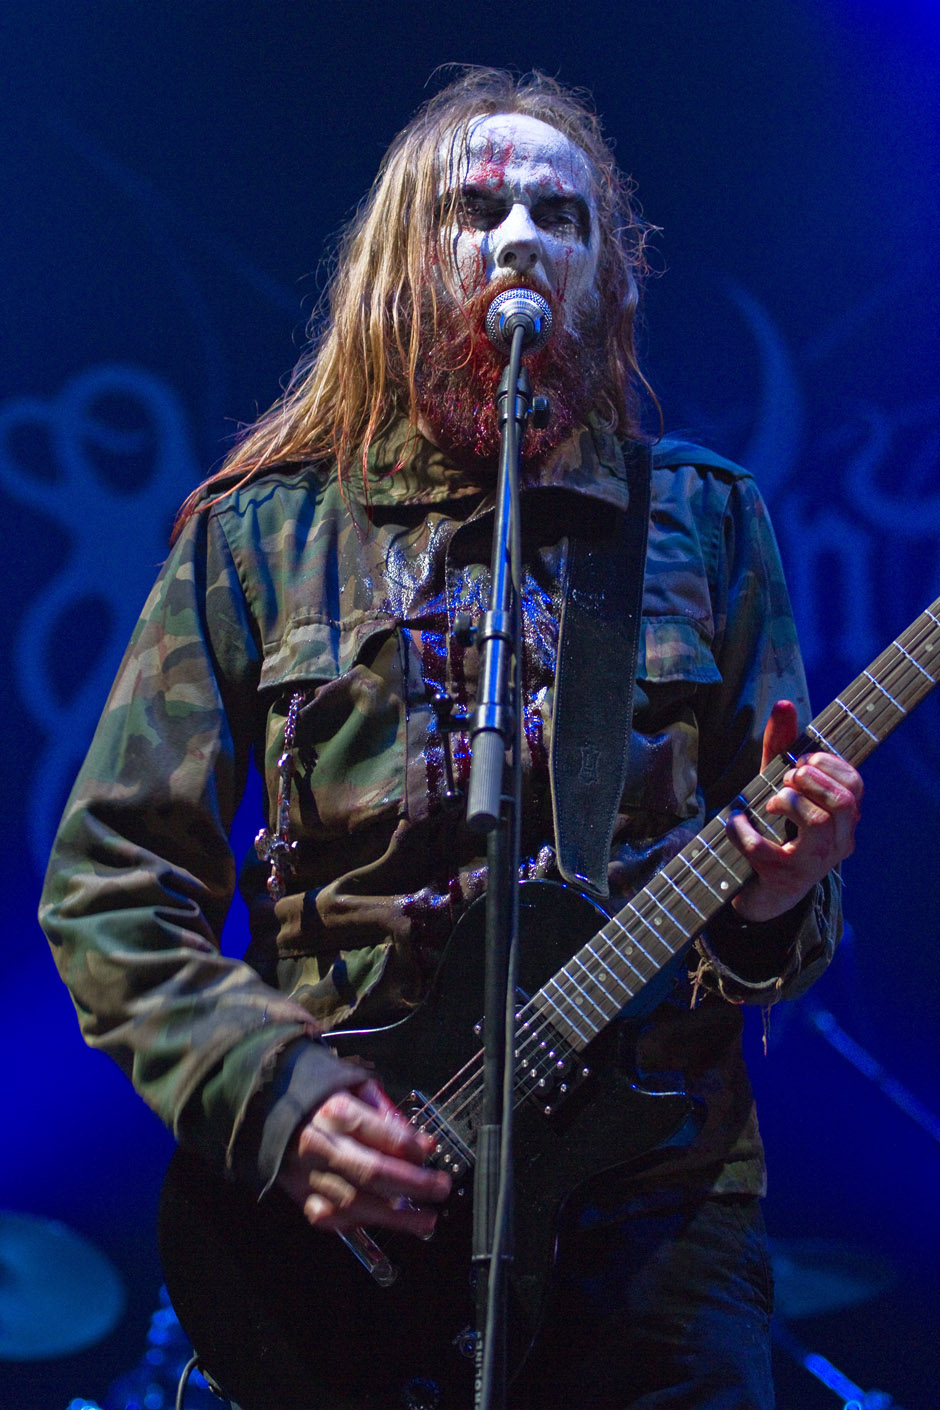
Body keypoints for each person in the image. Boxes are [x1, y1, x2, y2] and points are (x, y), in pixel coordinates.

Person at [39, 68, 862, 1410]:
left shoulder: (702, 526)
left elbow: (775, 923)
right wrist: (282, 1097)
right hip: (359, 1199)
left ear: (606, 272)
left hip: (652, 1207)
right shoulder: (261, 535)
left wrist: (776, 894)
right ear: (401, 261)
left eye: (561, 211)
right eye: (476, 208)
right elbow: (110, 884)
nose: (520, 235)